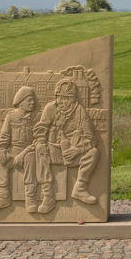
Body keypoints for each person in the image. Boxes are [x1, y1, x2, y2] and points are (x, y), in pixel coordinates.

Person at [33, 78, 99, 213]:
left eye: (64, 98)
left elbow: (90, 138)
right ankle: (48, 196)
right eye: (58, 98)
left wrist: (78, 150)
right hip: (54, 150)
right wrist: (41, 141)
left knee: (94, 153)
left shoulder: (80, 111)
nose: (60, 101)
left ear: (73, 99)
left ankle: (80, 188)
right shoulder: (51, 108)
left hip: (73, 153)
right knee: (40, 148)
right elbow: (41, 128)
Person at [0, 86, 39, 212]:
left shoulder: (37, 118)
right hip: (13, 151)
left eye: (33, 101)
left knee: (31, 158)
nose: (33, 103)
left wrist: (24, 153)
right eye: (29, 100)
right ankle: (2, 197)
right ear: (20, 103)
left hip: (30, 151)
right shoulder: (11, 117)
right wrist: (2, 148)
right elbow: (4, 136)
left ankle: (30, 198)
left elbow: (39, 141)